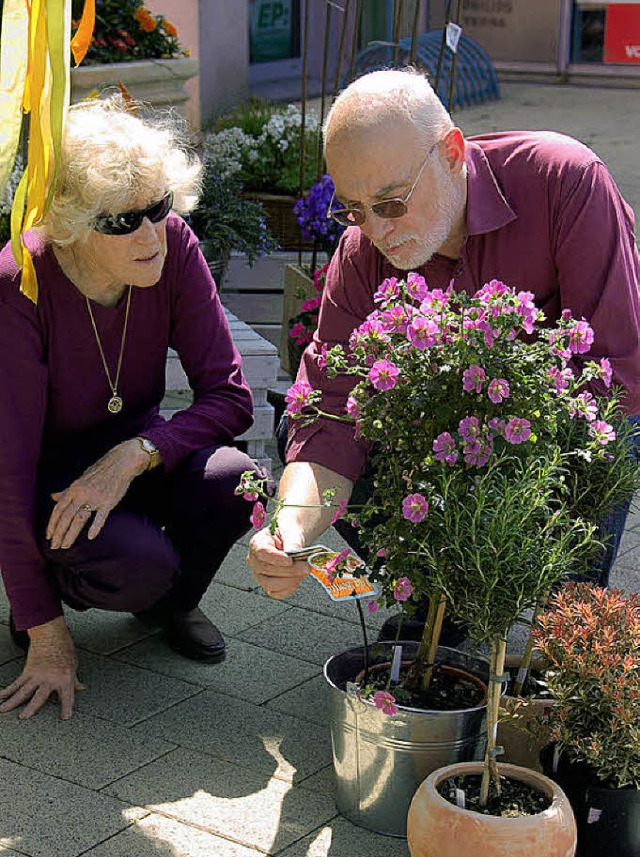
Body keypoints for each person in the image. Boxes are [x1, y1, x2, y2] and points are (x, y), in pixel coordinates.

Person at [248, 68, 640, 620]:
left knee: (613, 445)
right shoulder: (360, 253)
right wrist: (288, 531)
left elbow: (616, 373)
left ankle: (564, 623)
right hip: (446, 438)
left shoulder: (563, 181)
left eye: (390, 203)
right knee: (308, 430)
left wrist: (504, 494)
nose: (376, 232)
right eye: (354, 210)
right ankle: (440, 612)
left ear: (453, 151)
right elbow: (326, 418)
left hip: (564, 426)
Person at [0, 95, 262, 721]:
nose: (150, 234)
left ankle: (173, 605)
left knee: (238, 480)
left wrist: (138, 453)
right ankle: (47, 591)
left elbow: (230, 397)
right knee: (139, 564)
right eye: (121, 222)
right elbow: (6, 473)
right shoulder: (21, 284)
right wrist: (44, 629)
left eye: (158, 207)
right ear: (69, 221)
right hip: (50, 487)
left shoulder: (174, 246)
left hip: (136, 457)